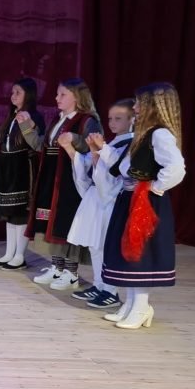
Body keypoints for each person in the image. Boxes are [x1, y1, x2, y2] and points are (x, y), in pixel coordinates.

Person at [100, 82, 185, 329]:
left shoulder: (159, 135)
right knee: (128, 252)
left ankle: (141, 307)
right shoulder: (143, 134)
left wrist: (155, 187)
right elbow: (124, 167)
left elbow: (176, 168)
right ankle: (131, 304)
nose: (135, 107)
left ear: (153, 106)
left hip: (145, 202)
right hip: (130, 199)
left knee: (141, 253)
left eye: (139, 103)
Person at [23, 78, 102, 290]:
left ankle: (71, 273)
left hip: (71, 180)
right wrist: (26, 127)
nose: (57, 98)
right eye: (57, 94)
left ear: (76, 97)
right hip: (51, 177)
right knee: (50, 222)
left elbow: (94, 146)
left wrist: (74, 138)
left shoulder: (86, 120)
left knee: (67, 223)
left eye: (62, 94)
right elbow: (41, 145)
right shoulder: (57, 120)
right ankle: (57, 267)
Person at [65, 99, 135, 309]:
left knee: (106, 245)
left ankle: (110, 291)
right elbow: (89, 164)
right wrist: (85, 152)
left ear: (132, 120)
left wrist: (97, 154)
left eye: (118, 119)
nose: (112, 123)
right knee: (95, 245)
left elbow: (115, 176)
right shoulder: (113, 143)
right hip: (96, 198)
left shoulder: (130, 145)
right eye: (110, 118)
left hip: (110, 200)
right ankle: (99, 284)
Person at [0, 78, 45, 270]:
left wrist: (29, 123)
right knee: (9, 214)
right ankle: (9, 253)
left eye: (18, 92)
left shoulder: (34, 116)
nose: (13, 95)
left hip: (22, 167)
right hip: (6, 167)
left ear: (28, 95)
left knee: (20, 214)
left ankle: (19, 256)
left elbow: (38, 141)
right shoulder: (11, 117)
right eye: (12, 92)